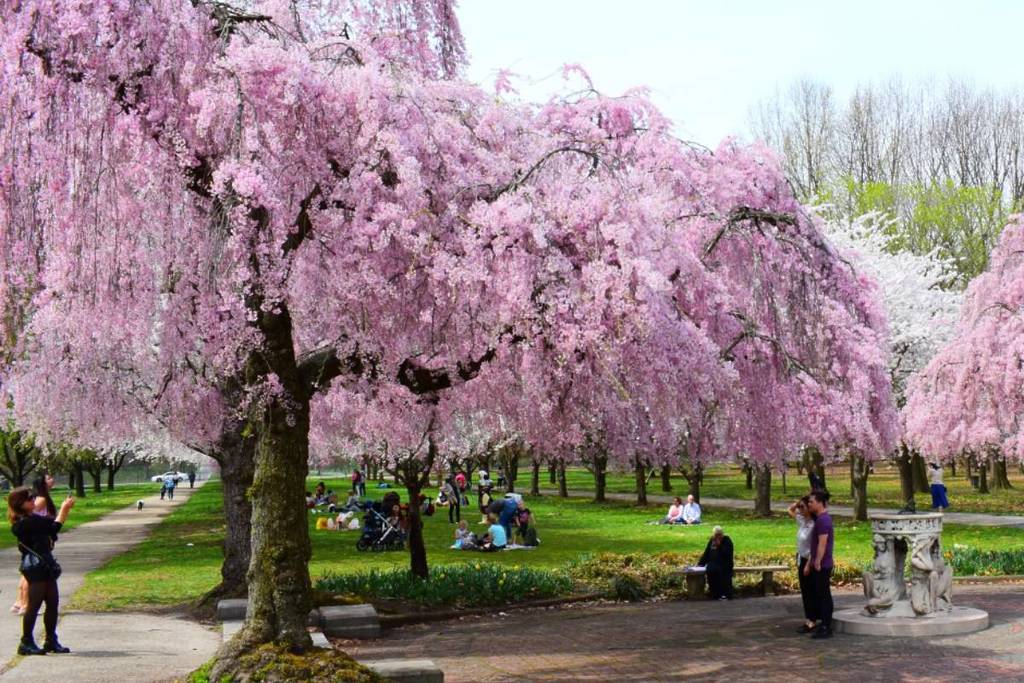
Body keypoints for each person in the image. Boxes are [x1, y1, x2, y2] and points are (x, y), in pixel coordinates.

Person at [9, 486, 75, 655]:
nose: (33, 500)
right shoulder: (25, 523)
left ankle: (51, 640)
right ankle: (26, 642)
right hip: (36, 567)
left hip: (46, 565)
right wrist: (64, 509)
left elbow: (51, 529)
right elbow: (55, 527)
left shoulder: (32, 519)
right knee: (34, 605)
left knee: (53, 603)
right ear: (20, 503)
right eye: (29, 498)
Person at [11, 473, 57, 615]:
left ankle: (20, 603)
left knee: (28, 571)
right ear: (42, 482)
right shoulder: (41, 499)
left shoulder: (43, 497)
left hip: (38, 536)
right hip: (36, 538)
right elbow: (31, 516)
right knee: (32, 571)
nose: (52, 480)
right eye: (48, 478)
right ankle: (24, 604)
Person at [804, 490, 834, 639]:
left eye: (811, 502)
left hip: (823, 565)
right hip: (819, 564)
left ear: (820, 502)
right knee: (820, 594)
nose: (809, 504)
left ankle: (826, 626)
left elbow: (822, 543)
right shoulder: (820, 519)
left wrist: (817, 562)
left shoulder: (823, 520)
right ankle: (823, 625)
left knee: (824, 595)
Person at [788, 496, 817, 633]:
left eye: (803, 507)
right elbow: (789, 510)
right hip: (800, 557)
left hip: (809, 559)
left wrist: (808, 565)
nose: (799, 509)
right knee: (805, 590)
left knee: (810, 590)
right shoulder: (802, 521)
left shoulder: (813, 525)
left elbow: (814, 546)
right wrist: (797, 503)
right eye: (800, 507)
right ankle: (809, 618)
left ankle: (812, 619)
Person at [698, 526, 734, 600]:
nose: (717, 537)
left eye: (719, 535)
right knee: (710, 570)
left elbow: (727, 554)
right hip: (713, 564)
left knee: (720, 571)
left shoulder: (727, 540)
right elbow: (706, 553)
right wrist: (700, 564)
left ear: (722, 534)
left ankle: (724, 594)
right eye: (716, 535)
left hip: (725, 564)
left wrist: (719, 545)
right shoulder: (712, 541)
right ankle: (714, 594)